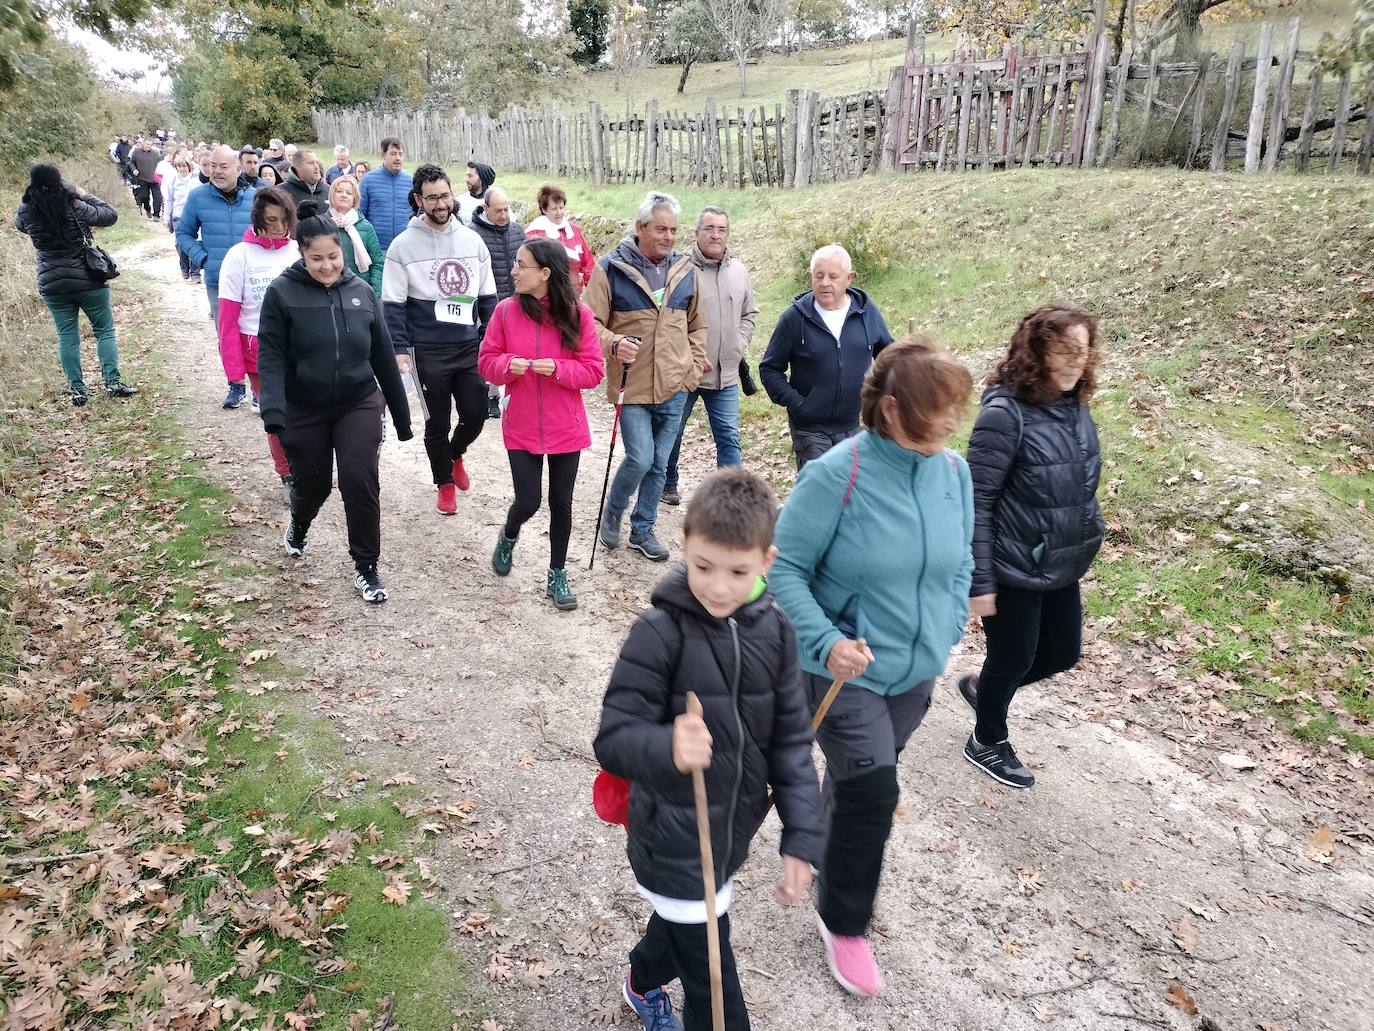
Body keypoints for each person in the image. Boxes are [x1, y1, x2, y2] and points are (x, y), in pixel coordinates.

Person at [769, 338, 973, 998]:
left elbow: (961, 558)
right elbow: (786, 569)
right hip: (841, 670)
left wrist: (947, 625)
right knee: (874, 791)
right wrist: (826, 640)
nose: (951, 423)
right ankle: (844, 920)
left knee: (860, 781)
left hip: (916, 671)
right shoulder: (836, 474)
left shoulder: (954, 473)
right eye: (937, 410)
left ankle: (825, 846)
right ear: (890, 408)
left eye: (955, 409)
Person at [594, 466, 823, 1031]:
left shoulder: (778, 633)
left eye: (738, 571)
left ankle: (642, 978)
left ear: (766, 563)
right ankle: (656, 984)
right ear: (686, 547)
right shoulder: (659, 631)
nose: (717, 586)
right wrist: (667, 743)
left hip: (728, 835)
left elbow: (792, 743)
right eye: (702, 566)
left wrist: (801, 839)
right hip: (672, 842)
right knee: (716, 991)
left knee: (683, 933)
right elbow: (614, 736)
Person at [957, 305, 1104, 789]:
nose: (1071, 362)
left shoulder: (1074, 405)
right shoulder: (1004, 414)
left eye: (1080, 352)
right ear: (1035, 351)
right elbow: (975, 501)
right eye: (1061, 350)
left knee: (1061, 653)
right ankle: (987, 740)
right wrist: (980, 581)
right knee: (1013, 657)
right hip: (1012, 563)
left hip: (1060, 560)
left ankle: (985, 690)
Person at [257, 205, 413, 604]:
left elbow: (382, 355)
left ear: (342, 251)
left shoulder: (361, 292)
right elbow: (271, 356)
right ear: (301, 253)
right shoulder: (282, 293)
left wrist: (401, 415)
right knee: (314, 485)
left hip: (358, 402)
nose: (327, 266)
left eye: (333, 256)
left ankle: (366, 565)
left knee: (359, 480)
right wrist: (274, 410)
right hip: (303, 407)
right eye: (316, 258)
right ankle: (299, 520)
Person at [478, 239, 604, 608]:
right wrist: (505, 367)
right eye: (515, 263)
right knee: (529, 500)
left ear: (545, 273)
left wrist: (559, 369)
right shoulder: (505, 312)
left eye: (522, 265)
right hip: (521, 424)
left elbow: (594, 370)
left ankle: (558, 574)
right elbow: (486, 361)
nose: (514, 271)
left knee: (561, 503)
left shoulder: (578, 315)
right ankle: (509, 534)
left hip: (566, 425)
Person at [586, 191, 706, 563]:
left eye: (673, 230)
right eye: (660, 229)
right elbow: (588, 323)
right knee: (640, 458)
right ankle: (614, 510)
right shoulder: (610, 269)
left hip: (675, 385)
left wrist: (694, 365)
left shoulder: (686, 271)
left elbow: (698, 325)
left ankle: (643, 529)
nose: (669, 236)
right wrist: (615, 342)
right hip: (632, 384)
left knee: (659, 463)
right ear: (640, 227)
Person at [382, 164, 498, 515]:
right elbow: (392, 304)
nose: (440, 204)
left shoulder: (471, 240)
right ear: (419, 199)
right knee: (437, 419)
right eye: (431, 198)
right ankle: (444, 482)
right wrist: (400, 350)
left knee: (477, 414)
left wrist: (492, 339)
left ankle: (456, 453)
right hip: (426, 349)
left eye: (445, 195)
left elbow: (488, 296)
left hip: (468, 345)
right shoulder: (402, 246)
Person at [760, 244, 894, 469]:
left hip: (853, 426)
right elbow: (770, 369)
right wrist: (797, 403)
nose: (825, 283)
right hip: (809, 428)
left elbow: (890, 357)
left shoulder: (866, 313)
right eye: (819, 276)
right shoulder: (794, 319)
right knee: (819, 492)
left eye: (833, 276)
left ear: (849, 278)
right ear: (810, 276)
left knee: (851, 493)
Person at [15, 164, 139, 406]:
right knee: (104, 331)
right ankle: (112, 384)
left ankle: (77, 391)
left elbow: (20, 227)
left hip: (52, 284)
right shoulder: (74, 205)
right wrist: (83, 194)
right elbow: (110, 215)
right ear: (59, 182)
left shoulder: (26, 210)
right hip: (88, 279)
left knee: (67, 337)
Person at [661, 207, 757, 507]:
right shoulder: (679, 269)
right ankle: (668, 480)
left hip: (726, 373)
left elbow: (749, 315)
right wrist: (687, 353)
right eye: (710, 228)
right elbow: (666, 319)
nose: (716, 235)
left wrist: (737, 345)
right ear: (697, 233)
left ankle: (731, 498)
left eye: (722, 229)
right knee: (672, 432)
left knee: (728, 435)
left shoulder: (738, 271)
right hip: (685, 373)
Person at [216, 187, 301, 499]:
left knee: (303, 411)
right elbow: (227, 317)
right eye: (271, 220)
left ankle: (305, 463)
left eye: (283, 220)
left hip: (301, 347)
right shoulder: (239, 256)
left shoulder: (296, 252)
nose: (279, 227)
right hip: (259, 351)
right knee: (277, 413)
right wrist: (233, 369)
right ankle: (287, 474)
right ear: (257, 219)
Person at [176, 145, 257, 388]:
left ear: (237, 168)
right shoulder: (198, 197)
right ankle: (235, 385)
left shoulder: (255, 198)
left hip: (252, 278)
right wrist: (203, 258)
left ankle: (257, 387)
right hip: (218, 279)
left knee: (255, 334)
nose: (217, 171)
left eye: (223, 166)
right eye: (213, 166)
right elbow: (183, 232)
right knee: (226, 335)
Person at [470, 185, 527, 419]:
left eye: (507, 209)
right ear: (486, 209)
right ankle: (489, 394)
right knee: (489, 349)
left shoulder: (516, 231)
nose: (504, 215)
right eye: (498, 211)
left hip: (516, 300)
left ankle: (507, 393)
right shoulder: (473, 233)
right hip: (486, 301)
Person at [525, 184, 596, 293]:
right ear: (544, 209)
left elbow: (588, 263)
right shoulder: (534, 235)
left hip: (574, 293)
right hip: (548, 295)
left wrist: (593, 292)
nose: (559, 213)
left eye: (561, 208)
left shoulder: (573, 230)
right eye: (554, 209)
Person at [328, 175, 384, 296]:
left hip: (361, 289)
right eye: (339, 191)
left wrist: (375, 292)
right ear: (332, 196)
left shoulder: (366, 227)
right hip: (331, 290)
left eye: (348, 193)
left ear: (354, 199)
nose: (343, 195)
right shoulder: (322, 224)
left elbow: (378, 262)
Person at [358, 138, 412, 253]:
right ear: (383, 155)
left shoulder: (411, 181)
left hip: (405, 247)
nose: (398, 158)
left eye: (400, 154)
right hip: (377, 248)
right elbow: (360, 215)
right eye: (393, 154)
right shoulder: (368, 180)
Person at [164, 153, 200, 282]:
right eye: (178, 166)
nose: (181, 169)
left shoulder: (195, 181)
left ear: (189, 166)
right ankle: (184, 267)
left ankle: (195, 273)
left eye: (183, 166)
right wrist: (166, 217)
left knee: (194, 243)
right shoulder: (173, 180)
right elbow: (168, 199)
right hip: (177, 215)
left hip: (193, 215)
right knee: (180, 244)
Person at [128, 137, 162, 220]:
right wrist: (134, 169)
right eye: (147, 144)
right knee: (144, 197)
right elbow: (131, 162)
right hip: (142, 178)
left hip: (154, 179)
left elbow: (160, 165)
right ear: (143, 144)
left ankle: (156, 215)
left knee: (157, 198)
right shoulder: (137, 152)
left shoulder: (156, 153)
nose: (149, 146)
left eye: (150, 144)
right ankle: (148, 209)